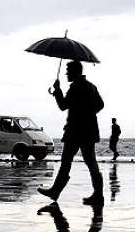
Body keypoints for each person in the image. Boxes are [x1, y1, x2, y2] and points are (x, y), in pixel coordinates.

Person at [38, 60, 105, 205]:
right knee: (91, 163)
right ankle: (98, 195)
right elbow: (100, 105)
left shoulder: (75, 88)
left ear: (75, 72)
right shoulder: (91, 87)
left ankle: (55, 191)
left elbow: (63, 105)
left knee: (66, 162)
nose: (66, 74)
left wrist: (57, 90)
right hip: (89, 131)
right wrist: (88, 114)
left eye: (68, 71)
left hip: (75, 132)